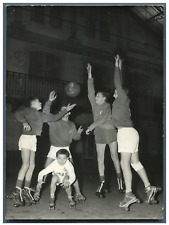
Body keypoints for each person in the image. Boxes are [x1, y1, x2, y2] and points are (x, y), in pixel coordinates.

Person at [8, 93, 76, 207]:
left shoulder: (40, 115)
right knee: (25, 165)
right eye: (39, 101)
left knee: (32, 166)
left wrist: (65, 110)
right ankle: (17, 189)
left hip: (33, 139)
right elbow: (17, 114)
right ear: (33, 103)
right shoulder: (27, 110)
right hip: (25, 138)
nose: (40, 103)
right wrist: (24, 122)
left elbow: (54, 117)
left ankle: (26, 189)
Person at [112, 54, 162, 208]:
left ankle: (128, 194)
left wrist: (116, 66)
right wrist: (120, 67)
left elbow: (117, 82)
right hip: (132, 133)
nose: (114, 91)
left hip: (126, 133)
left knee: (124, 163)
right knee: (135, 162)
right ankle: (148, 187)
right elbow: (119, 83)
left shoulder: (121, 98)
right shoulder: (121, 102)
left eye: (117, 90)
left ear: (121, 92)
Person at [33, 91, 85, 203]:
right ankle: (37, 191)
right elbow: (45, 113)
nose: (65, 112)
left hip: (66, 150)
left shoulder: (71, 124)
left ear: (69, 112)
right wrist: (49, 101)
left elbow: (76, 138)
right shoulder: (54, 121)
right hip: (54, 148)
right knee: (45, 170)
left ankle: (79, 193)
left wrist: (79, 133)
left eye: (67, 110)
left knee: (72, 172)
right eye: (63, 110)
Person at [86, 63, 124, 198]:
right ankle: (102, 183)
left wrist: (90, 127)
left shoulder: (107, 106)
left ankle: (120, 181)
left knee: (114, 157)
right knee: (100, 159)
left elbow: (102, 119)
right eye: (96, 97)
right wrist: (90, 74)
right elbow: (90, 90)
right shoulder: (94, 104)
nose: (95, 98)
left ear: (103, 98)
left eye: (98, 97)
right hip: (99, 134)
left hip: (110, 132)